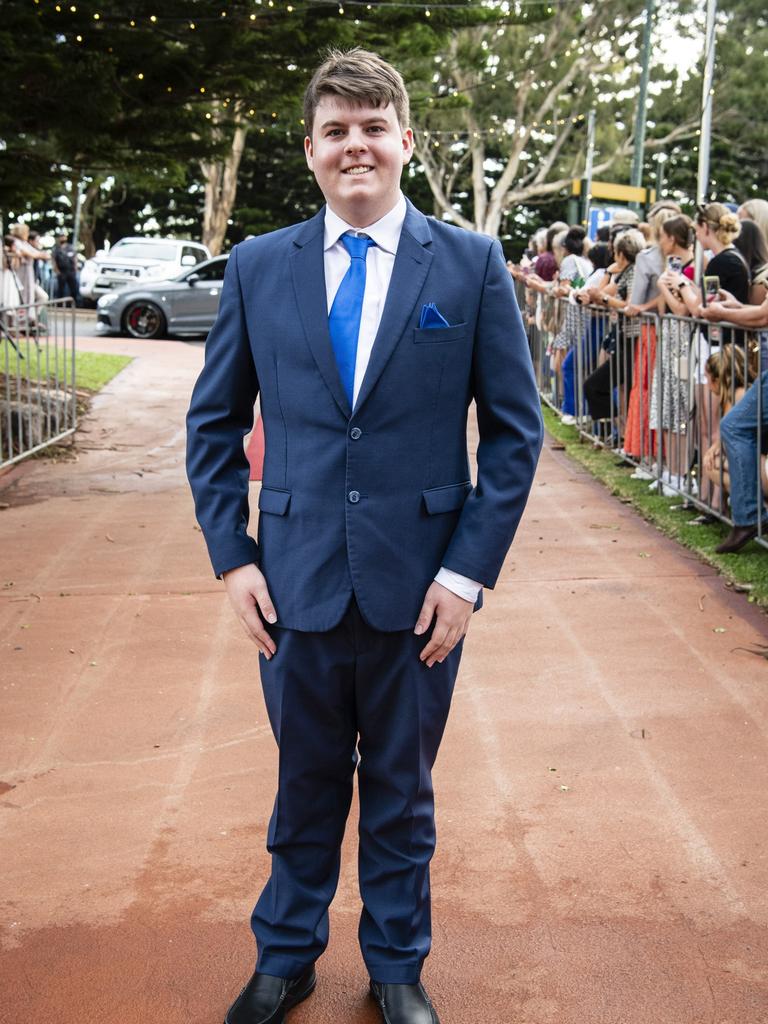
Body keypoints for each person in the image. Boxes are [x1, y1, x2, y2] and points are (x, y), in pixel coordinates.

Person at [186, 48, 543, 1024]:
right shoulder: (260, 266)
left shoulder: (469, 265)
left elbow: (516, 433)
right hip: (291, 586)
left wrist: (467, 575)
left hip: (420, 591)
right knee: (302, 786)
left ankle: (395, 966)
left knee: (400, 791)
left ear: (405, 141)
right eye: (337, 130)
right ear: (311, 149)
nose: (357, 145)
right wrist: (233, 556)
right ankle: (287, 954)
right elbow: (212, 424)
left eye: (373, 126)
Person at [51, 232, 80, 304]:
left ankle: (74, 303)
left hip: (70, 270)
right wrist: (56, 270)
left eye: (64, 236)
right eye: (61, 236)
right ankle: (59, 304)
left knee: (74, 288)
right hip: (61, 271)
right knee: (60, 289)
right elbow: (53, 260)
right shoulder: (56, 248)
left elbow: (75, 258)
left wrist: (75, 268)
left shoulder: (70, 247)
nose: (62, 238)